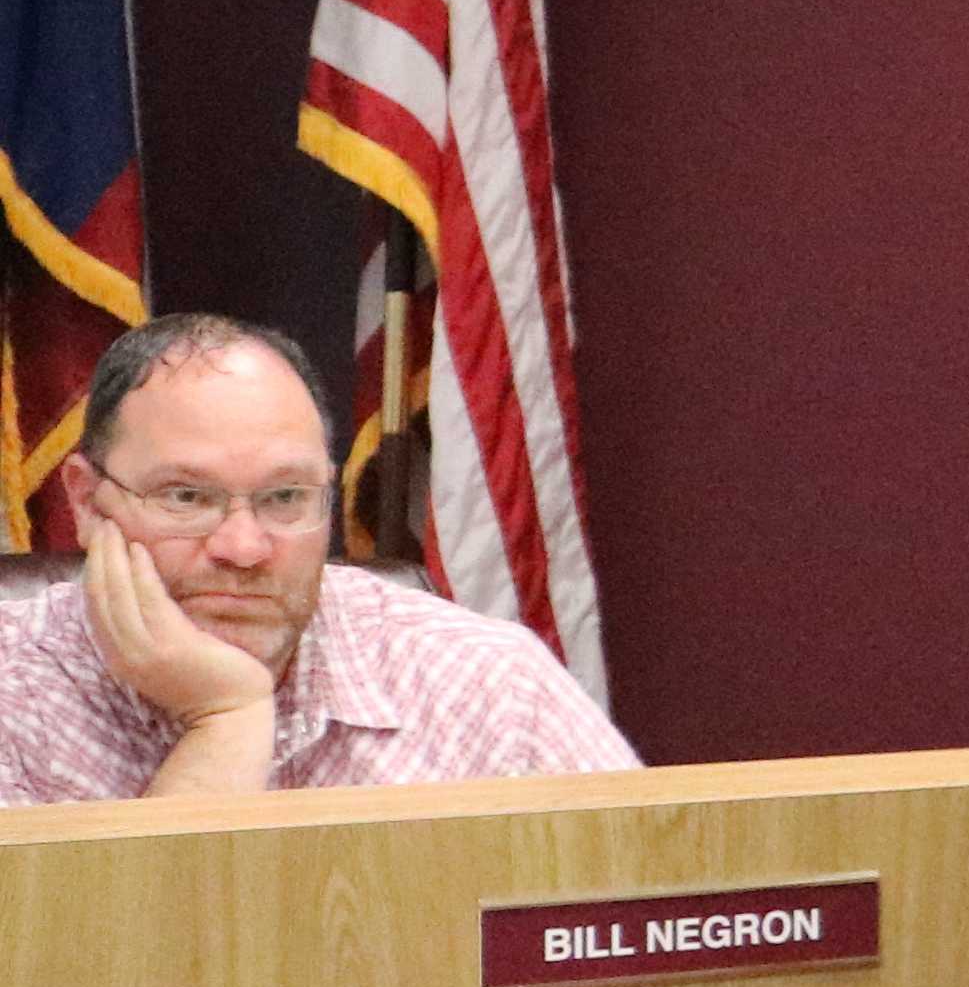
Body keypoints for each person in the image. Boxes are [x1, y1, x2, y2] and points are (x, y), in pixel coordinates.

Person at [0, 311, 632, 802]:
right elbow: (106, 970)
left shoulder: (489, 684)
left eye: (285, 498)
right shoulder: (14, 695)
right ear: (86, 503)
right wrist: (226, 718)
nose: (243, 549)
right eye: (187, 497)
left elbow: (652, 931)